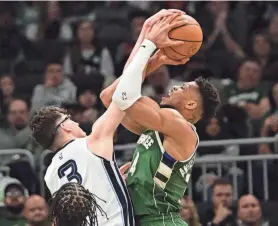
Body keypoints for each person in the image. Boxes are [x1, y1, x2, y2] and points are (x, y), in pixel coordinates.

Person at [29, 9, 187, 226]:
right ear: (65, 127)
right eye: (70, 119)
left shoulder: (51, 175)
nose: (76, 121)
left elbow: (84, 202)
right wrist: (147, 39)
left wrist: (112, 179)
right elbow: (123, 94)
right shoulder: (91, 143)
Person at [100, 12, 221, 226]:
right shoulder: (158, 128)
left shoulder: (179, 125)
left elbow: (122, 96)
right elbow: (110, 97)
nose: (174, 86)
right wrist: (152, 52)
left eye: (183, 87)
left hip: (162, 221)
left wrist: (148, 44)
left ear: (191, 105)